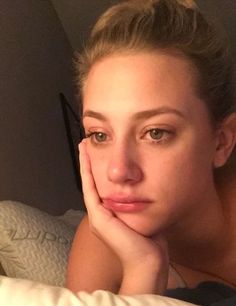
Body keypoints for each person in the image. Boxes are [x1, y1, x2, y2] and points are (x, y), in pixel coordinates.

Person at [66, 0, 236, 303]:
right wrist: (143, 270)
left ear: (221, 142)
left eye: (156, 133)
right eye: (99, 135)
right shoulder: (99, 244)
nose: (118, 171)